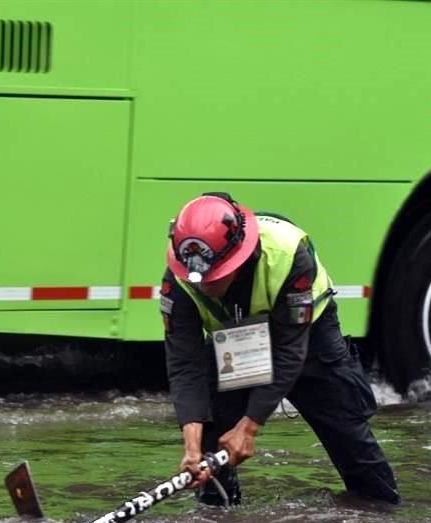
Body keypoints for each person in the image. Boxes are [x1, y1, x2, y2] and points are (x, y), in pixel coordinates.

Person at [161, 192, 400, 506]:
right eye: (198, 281)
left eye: (213, 279)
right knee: (211, 440)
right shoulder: (179, 280)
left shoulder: (289, 253)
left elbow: (289, 352)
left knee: (348, 434)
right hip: (235, 339)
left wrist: (249, 426)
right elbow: (185, 366)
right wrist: (191, 448)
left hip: (307, 334)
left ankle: (380, 515)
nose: (204, 286)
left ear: (238, 258)